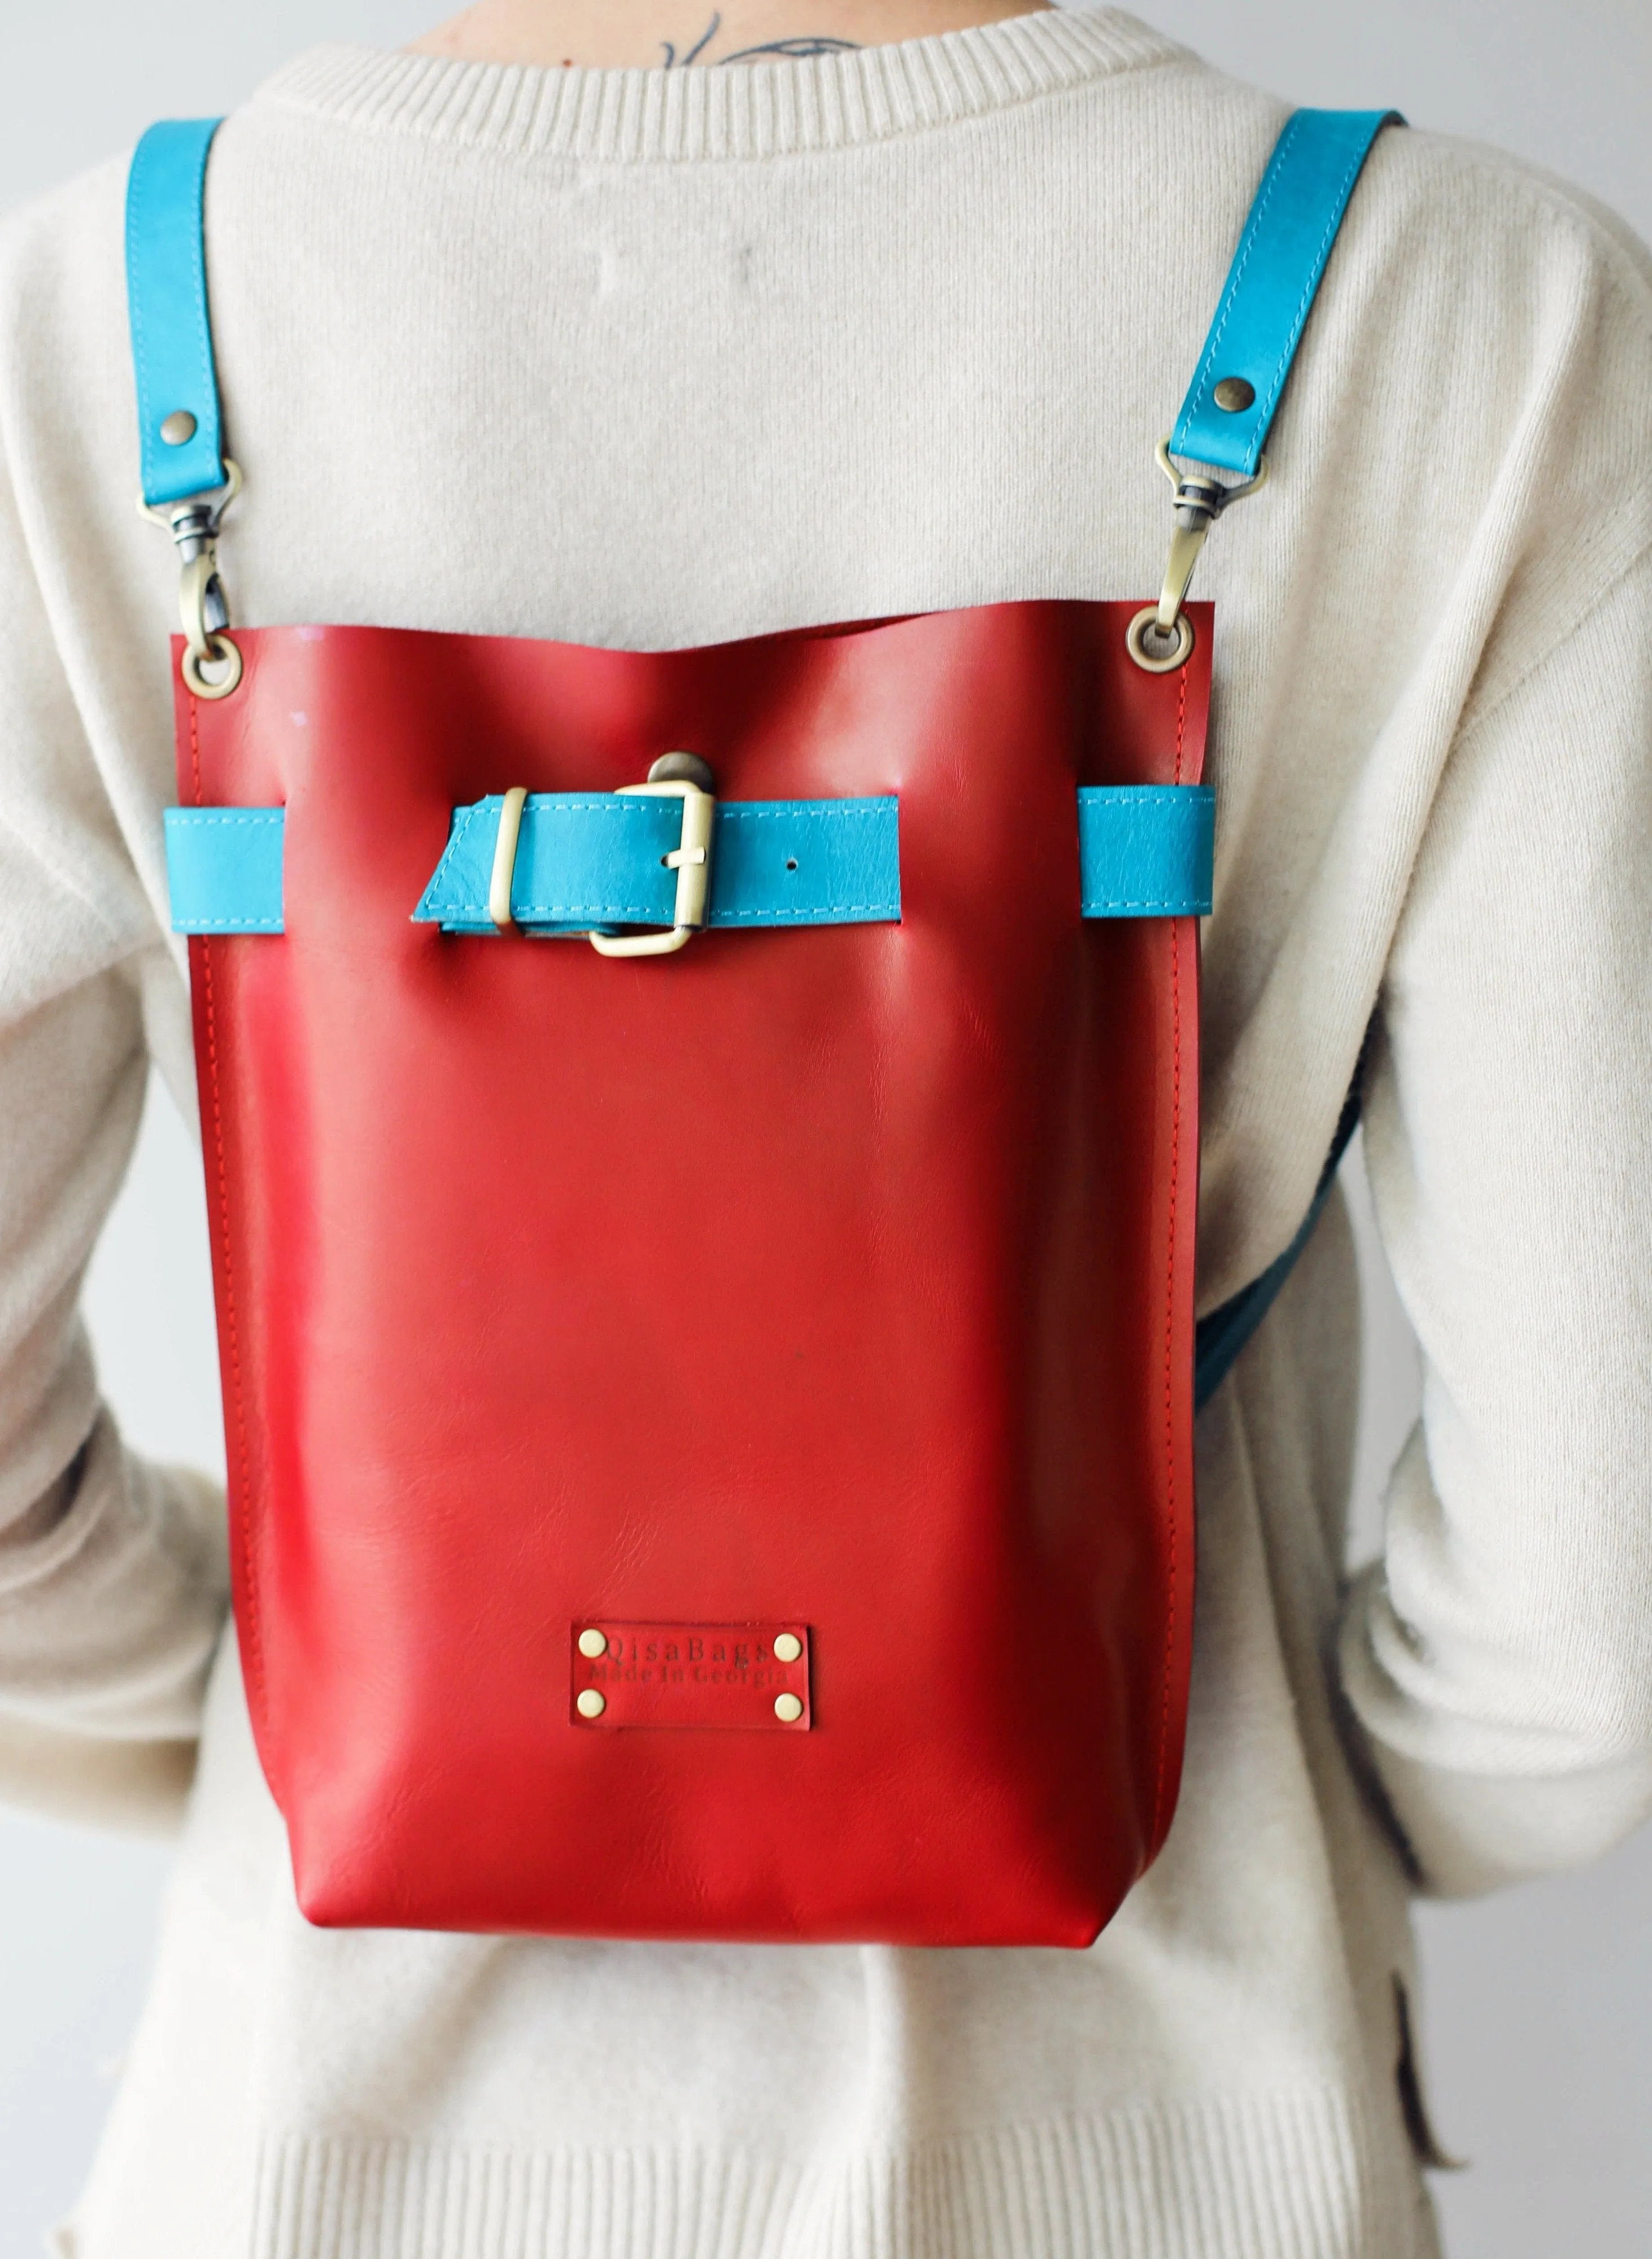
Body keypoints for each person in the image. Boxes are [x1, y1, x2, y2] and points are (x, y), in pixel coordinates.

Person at [2, 3, 1650, 2253]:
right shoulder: (1472, 311)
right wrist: (1323, 1814)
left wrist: (305, 1670)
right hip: (1173, 2162)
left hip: (294, 2158)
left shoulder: (84, 329)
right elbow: (1595, 1588)